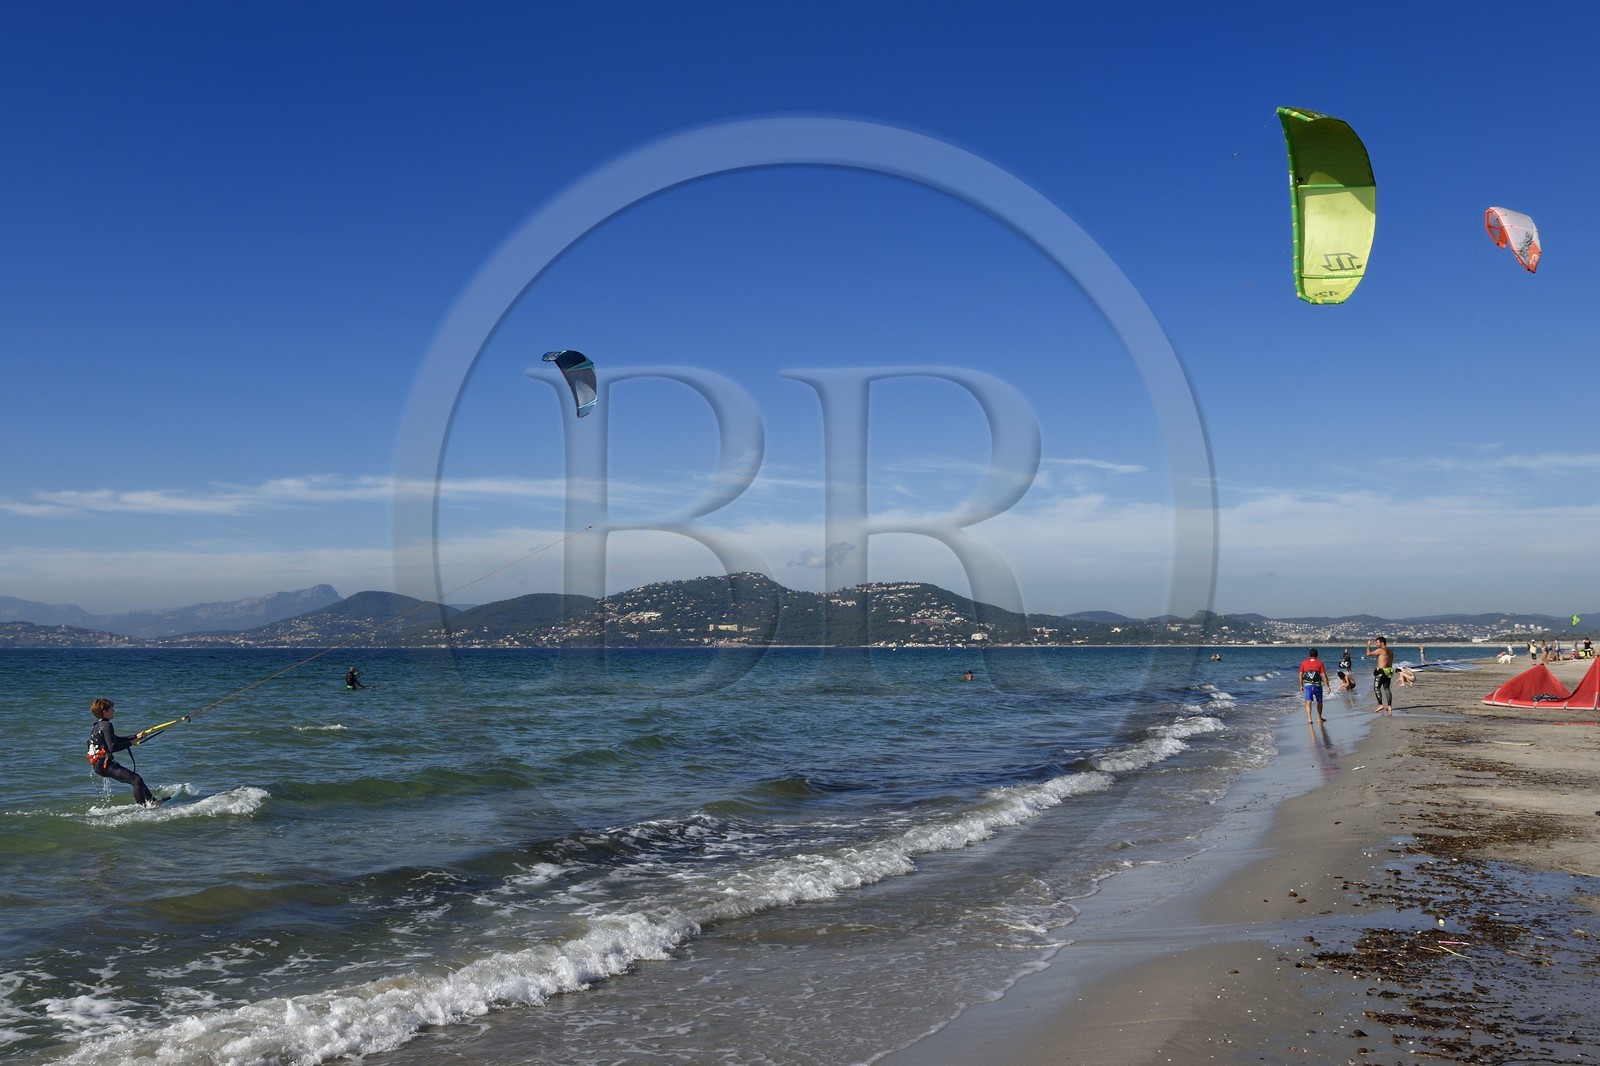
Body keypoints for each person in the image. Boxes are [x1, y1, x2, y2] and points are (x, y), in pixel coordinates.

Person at [86, 698, 161, 807]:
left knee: (138, 779)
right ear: (104, 712)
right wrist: (132, 742)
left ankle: (153, 802)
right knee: (136, 780)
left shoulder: (96, 726)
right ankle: (142, 809)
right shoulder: (107, 725)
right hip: (105, 765)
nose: (114, 711)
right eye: (111, 709)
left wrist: (136, 736)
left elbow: (117, 739)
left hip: (99, 765)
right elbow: (112, 747)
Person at [1298, 648, 1330, 723]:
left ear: (1309, 655)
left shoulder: (1304, 662)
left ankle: (1309, 719)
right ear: (1317, 655)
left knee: (1308, 701)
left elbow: (1300, 675)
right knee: (1319, 701)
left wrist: (1301, 685)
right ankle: (1319, 717)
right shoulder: (1319, 663)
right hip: (1317, 685)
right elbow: (1324, 675)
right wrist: (1328, 686)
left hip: (1308, 685)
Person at [1366, 637, 1394, 715]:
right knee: (1386, 688)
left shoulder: (1381, 650)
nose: (1376, 644)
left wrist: (1368, 645)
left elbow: (1368, 654)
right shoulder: (1390, 651)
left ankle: (1380, 704)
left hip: (1382, 671)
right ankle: (1389, 706)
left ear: (1382, 643)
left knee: (1376, 687)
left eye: (1377, 643)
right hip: (1389, 671)